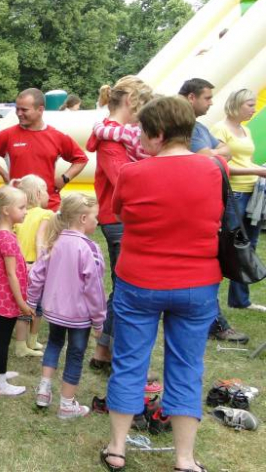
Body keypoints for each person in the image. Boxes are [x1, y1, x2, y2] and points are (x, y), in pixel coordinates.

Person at [101, 96, 223, 472]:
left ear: (156, 133)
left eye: (142, 132)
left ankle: (117, 448)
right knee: (187, 367)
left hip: (140, 280)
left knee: (128, 362)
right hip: (197, 283)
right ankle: (184, 458)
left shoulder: (134, 173)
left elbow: (121, 211)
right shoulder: (215, 169)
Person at [84, 76, 153, 372]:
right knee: (129, 290)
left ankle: (103, 352)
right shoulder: (112, 139)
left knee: (123, 288)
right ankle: (120, 356)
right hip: (120, 221)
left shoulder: (120, 136)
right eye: (144, 105)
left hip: (121, 220)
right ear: (130, 102)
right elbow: (125, 182)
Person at [178, 79, 248, 344]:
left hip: (205, 205)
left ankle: (209, 319)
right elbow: (209, 156)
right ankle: (214, 321)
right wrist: (218, 154)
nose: (211, 103)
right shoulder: (187, 129)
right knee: (205, 264)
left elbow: (224, 151)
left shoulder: (198, 127)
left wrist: (217, 153)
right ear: (192, 97)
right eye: (208, 98)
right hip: (195, 207)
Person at [29, 193, 106, 419]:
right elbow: (94, 288)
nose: (97, 221)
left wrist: (33, 301)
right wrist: (99, 321)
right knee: (75, 353)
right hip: (79, 317)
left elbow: (36, 275)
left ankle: (43, 391)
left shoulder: (56, 241)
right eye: (95, 216)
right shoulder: (89, 249)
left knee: (54, 344)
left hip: (55, 312)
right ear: (83, 218)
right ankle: (66, 404)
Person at [0, 88, 88, 211]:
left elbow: (81, 159)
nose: (19, 113)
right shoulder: (8, 135)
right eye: (17, 109)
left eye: (24, 110)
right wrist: (4, 174)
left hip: (49, 206)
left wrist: (65, 178)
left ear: (40, 109)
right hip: (18, 208)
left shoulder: (56, 136)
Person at [211, 88, 266, 312]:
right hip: (234, 193)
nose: (253, 109)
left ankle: (240, 300)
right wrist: (256, 172)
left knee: (249, 245)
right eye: (249, 105)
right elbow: (220, 166)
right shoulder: (220, 129)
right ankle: (214, 299)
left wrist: (258, 169)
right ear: (236, 104)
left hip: (254, 191)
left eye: (254, 105)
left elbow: (246, 160)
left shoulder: (245, 130)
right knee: (231, 245)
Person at [0, 185, 32, 397]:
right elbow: (11, 275)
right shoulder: (8, 238)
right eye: (21, 207)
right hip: (6, 297)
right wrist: (21, 302)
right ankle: (0, 383)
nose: (26, 211)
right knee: (2, 338)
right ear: (5, 210)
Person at [13, 174, 54, 357]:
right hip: (36, 266)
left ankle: (28, 341)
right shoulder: (47, 214)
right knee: (35, 307)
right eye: (45, 190)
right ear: (38, 194)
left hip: (18, 266)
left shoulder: (18, 214)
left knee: (25, 305)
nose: (48, 194)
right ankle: (25, 343)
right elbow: (41, 241)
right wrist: (39, 263)